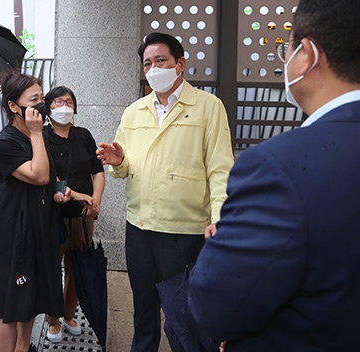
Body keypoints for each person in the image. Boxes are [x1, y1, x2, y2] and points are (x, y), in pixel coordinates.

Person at [188, 1, 360, 350]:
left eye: (288, 49)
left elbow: (217, 306)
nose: (286, 60)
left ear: (308, 54)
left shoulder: (278, 166)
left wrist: (232, 237)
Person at [96, 32, 234, 352]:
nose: (154, 68)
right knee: (143, 312)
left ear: (180, 64)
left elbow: (220, 170)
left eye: (161, 60)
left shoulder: (208, 107)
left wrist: (220, 218)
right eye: (147, 63)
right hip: (140, 228)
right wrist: (119, 161)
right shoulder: (135, 111)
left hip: (184, 232)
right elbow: (123, 166)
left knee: (184, 315)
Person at [0, 70, 64, 352]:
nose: (42, 105)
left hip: (41, 227)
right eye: (34, 99)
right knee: (9, 306)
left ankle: (24, 347)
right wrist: (36, 134)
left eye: (42, 97)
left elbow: (52, 178)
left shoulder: (39, 136)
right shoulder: (5, 143)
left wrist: (65, 191)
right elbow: (38, 175)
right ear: (13, 106)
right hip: (16, 234)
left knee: (32, 296)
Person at [41, 86, 105, 343]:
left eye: (69, 102)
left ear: (75, 107)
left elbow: (97, 170)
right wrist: (74, 193)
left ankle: (68, 315)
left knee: (78, 267)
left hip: (83, 215)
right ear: (48, 108)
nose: (64, 106)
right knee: (51, 268)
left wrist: (96, 201)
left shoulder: (84, 136)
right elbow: (47, 174)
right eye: (58, 102)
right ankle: (52, 319)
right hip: (53, 213)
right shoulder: (42, 136)